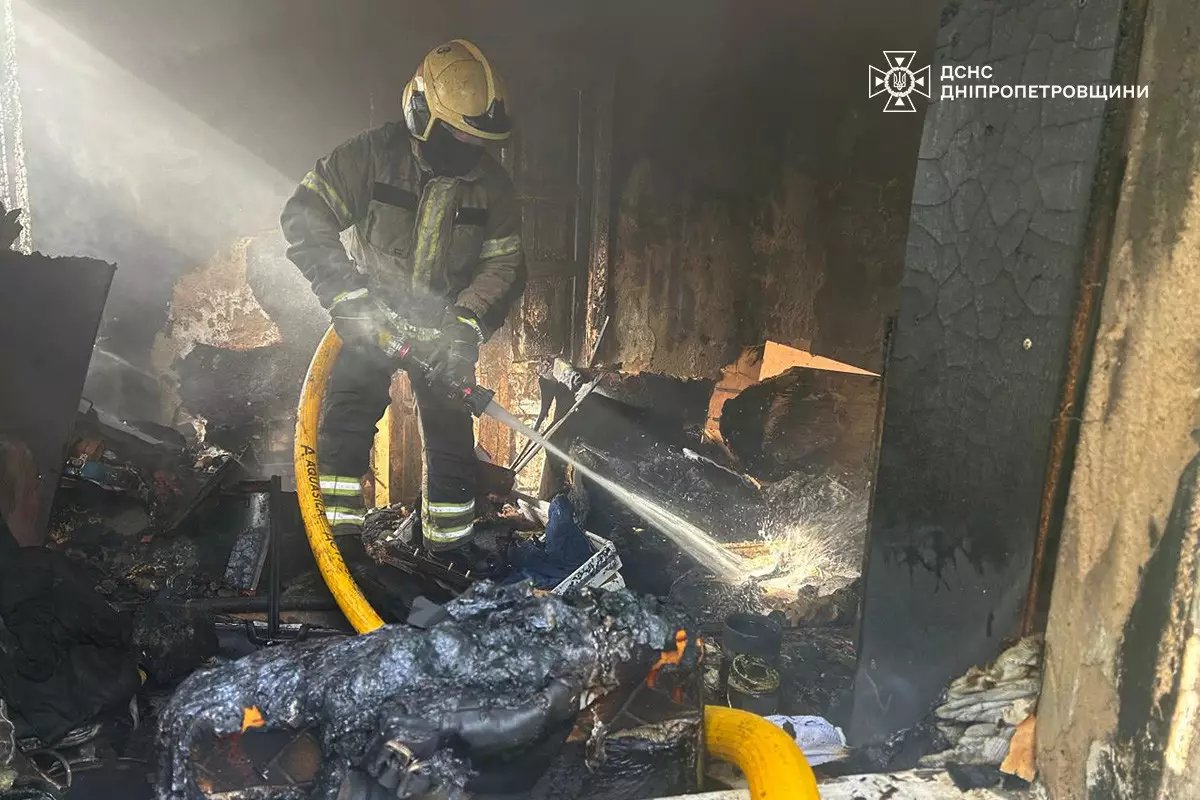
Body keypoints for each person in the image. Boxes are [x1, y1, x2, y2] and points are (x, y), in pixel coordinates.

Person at [281, 39, 525, 556]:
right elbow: (305, 215)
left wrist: (465, 327)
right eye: (457, 135)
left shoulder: (492, 185)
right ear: (422, 115)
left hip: (443, 329)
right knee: (344, 428)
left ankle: (449, 557)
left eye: (477, 141)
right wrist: (348, 298)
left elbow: (504, 264)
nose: (468, 149)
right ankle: (334, 554)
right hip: (371, 316)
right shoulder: (371, 157)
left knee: (452, 446)